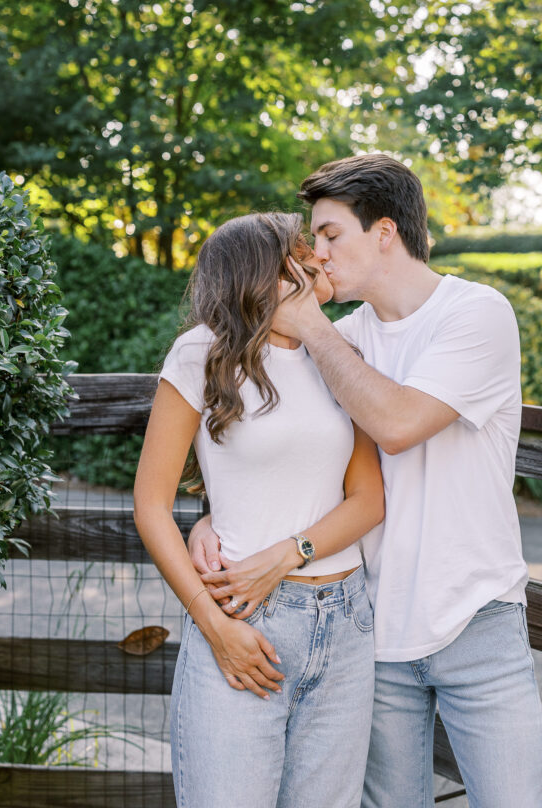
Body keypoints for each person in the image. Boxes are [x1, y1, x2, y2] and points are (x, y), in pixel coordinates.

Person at [190, 154, 542, 808]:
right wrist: (214, 518)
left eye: (329, 235)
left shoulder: (475, 314)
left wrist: (315, 329)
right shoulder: (340, 335)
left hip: (477, 627)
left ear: (384, 232)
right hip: (372, 639)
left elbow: (397, 422)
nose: (317, 256)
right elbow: (278, 449)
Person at [134, 211, 384, 808]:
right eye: (303, 250)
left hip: (344, 623)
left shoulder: (338, 352)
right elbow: (150, 504)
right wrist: (215, 627)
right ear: (266, 274)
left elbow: (369, 500)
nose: (320, 256)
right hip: (246, 622)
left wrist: (286, 553)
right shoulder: (201, 354)